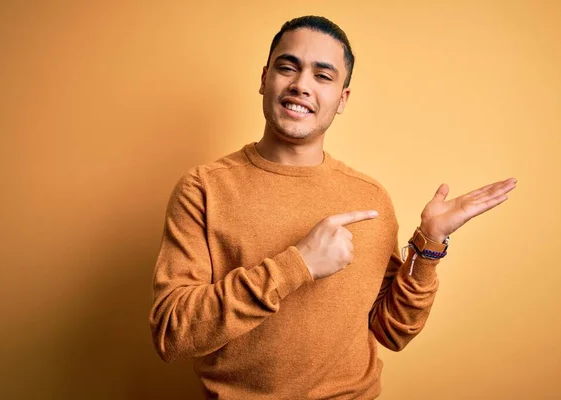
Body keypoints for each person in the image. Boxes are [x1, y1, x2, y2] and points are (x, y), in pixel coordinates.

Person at [149, 15, 516, 399]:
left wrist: (430, 243)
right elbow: (172, 332)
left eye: (322, 76)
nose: (301, 85)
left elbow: (393, 330)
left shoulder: (370, 198)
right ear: (264, 79)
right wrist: (298, 265)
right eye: (288, 67)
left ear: (342, 99)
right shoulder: (203, 188)